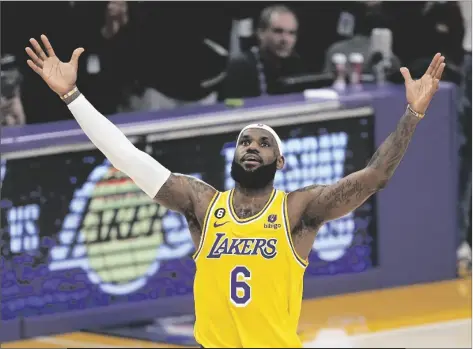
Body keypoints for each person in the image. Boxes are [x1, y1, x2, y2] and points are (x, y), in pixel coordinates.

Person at [25, 34, 445, 348]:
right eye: (246, 140)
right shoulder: (203, 204)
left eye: (264, 144)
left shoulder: (298, 210)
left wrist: (412, 114)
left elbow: (373, 177)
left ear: (280, 162)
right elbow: (127, 157)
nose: (252, 148)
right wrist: (72, 96)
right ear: (233, 152)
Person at [220, 5, 306, 100]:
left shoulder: (298, 64)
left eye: (291, 33)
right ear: (261, 33)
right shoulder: (241, 66)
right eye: (278, 31)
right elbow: (230, 105)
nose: (285, 39)